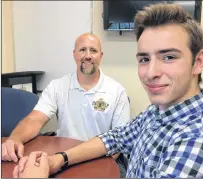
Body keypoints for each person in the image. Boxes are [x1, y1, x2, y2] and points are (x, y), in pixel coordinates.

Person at [15, 3, 203, 178]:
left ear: (198, 62)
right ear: (74, 54)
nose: (151, 72)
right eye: (144, 59)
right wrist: (59, 159)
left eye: (169, 57)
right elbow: (115, 138)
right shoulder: (156, 113)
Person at [2, 33, 130, 177]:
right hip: (62, 159)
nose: (88, 55)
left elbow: (119, 141)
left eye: (93, 50)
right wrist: (15, 138)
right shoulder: (57, 86)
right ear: (74, 54)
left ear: (101, 55)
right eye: (82, 50)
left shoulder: (117, 92)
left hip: (100, 160)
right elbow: (34, 120)